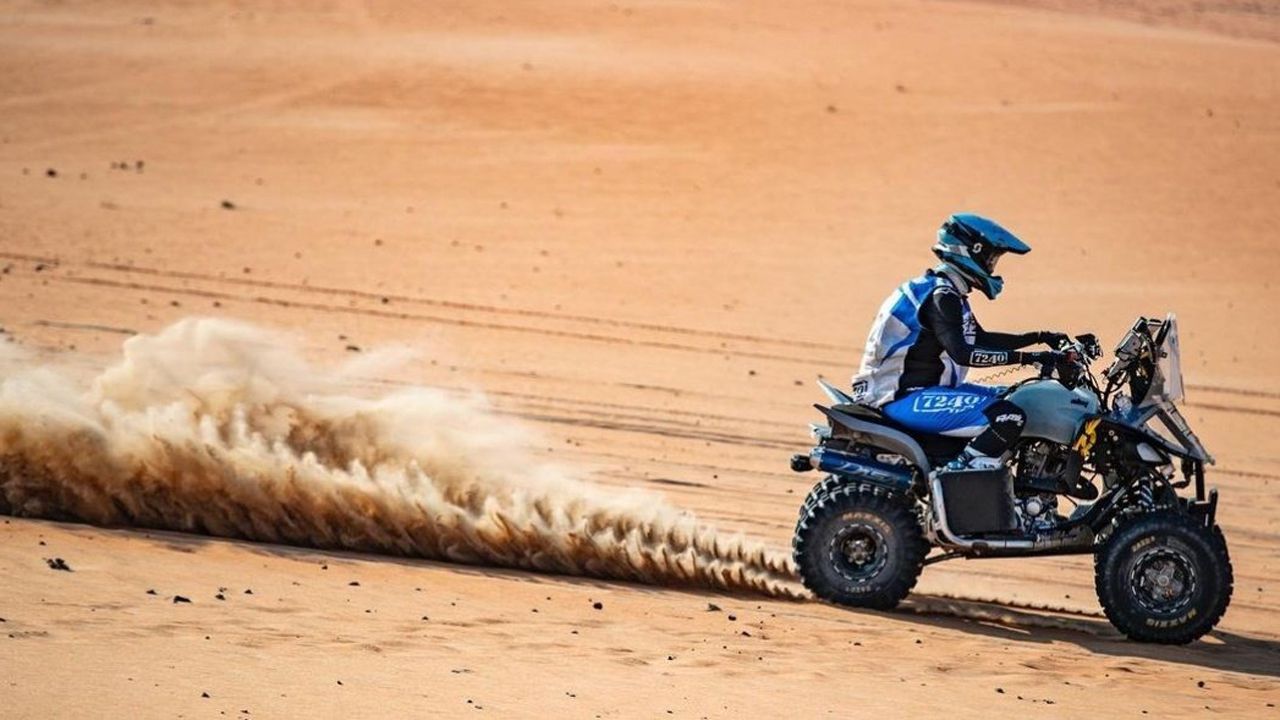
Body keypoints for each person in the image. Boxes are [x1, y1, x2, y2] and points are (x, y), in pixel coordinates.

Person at [850, 213, 1068, 471]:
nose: (991, 267)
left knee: (1017, 398)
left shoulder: (947, 292)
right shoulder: (942, 296)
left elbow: (982, 339)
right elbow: (963, 353)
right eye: (990, 258)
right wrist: (1030, 358)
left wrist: (1040, 339)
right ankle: (956, 473)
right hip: (901, 397)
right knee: (1008, 417)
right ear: (970, 252)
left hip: (920, 392)